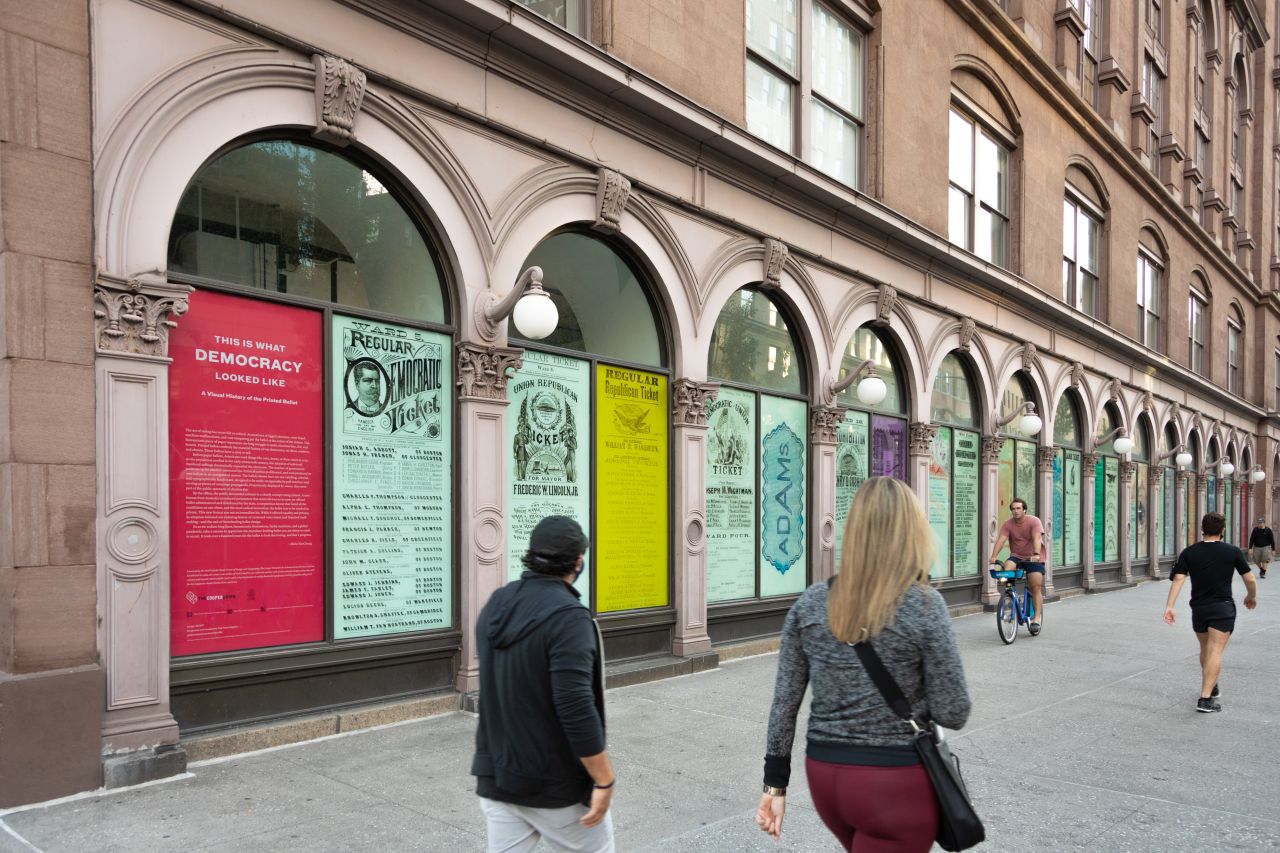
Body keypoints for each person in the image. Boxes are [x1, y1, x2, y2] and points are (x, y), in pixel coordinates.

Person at [758, 477, 972, 852]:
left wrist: (774, 786)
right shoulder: (924, 605)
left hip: (826, 777)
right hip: (892, 783)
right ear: (913, 531)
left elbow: (784, 705)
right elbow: (953, 711)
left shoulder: (809, 604)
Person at [471, 516, 616, 852]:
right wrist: (604, 778)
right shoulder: (570, 618)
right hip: (555, 787)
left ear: (531, 554)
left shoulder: (497, 603)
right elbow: (576, 706)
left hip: (498, 777)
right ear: (578, 562)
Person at [1163, 511, 1258, 713]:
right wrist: (1251, 597)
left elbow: (1178, 578)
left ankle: (1211, 684)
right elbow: (1249, 578)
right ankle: (1205, 699)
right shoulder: (1232, 551)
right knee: (1215, 650)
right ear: (1223, 530)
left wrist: (1169, 606)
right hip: (1222, 607)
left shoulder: (1189, 552)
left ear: (1202, 529)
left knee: (1206, 649)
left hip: (1199, 607)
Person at [988, 498, 1047, 635]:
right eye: (1013, 509)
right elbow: (1001, 540)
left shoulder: (1034, 521)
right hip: (1017, 555)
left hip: (1034, 557)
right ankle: (1010, 596)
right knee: (1006, 570)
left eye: (1018, 508)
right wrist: (993, 557)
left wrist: (1036, 554)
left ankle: (1036, 619)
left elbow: (1037, 538)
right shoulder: (1008, 524)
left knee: (1035, 586)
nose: (1016, 511)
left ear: (1024, 509)